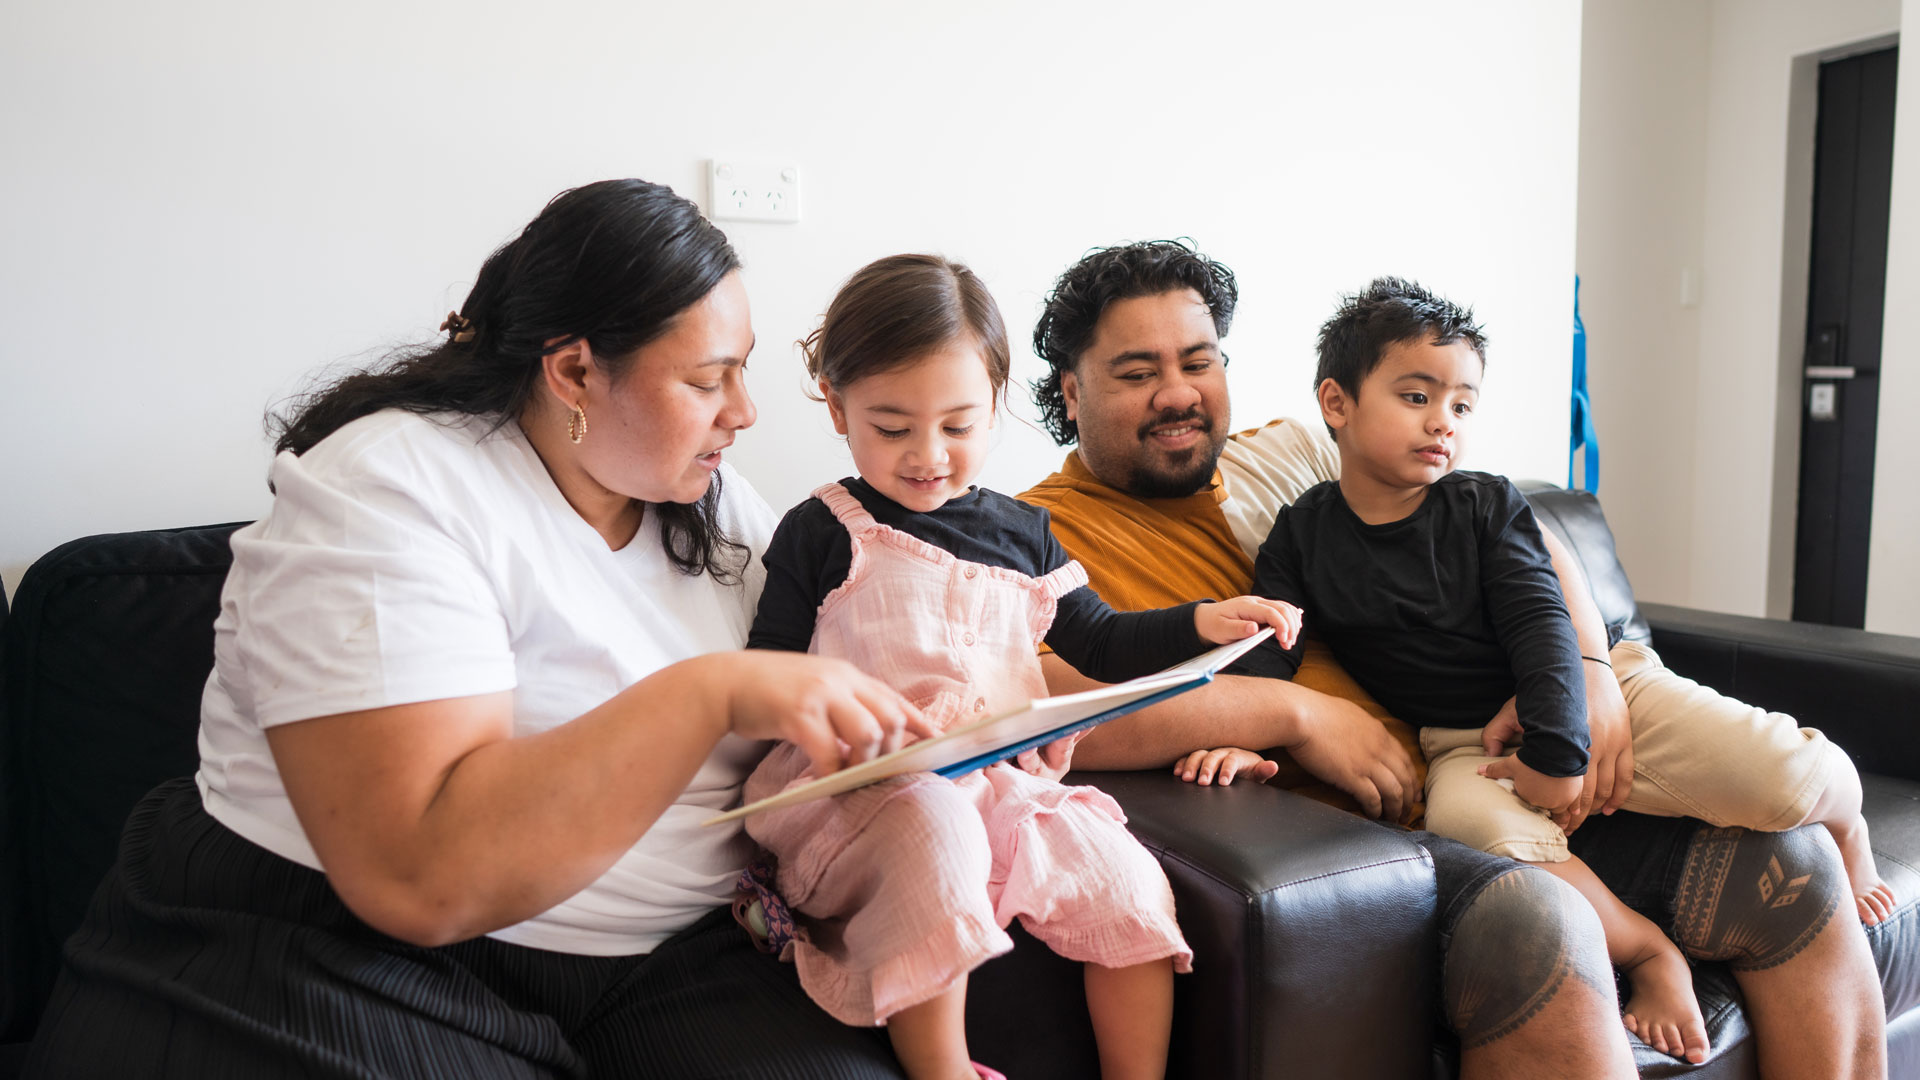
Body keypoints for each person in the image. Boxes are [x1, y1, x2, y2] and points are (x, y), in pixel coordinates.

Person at [24, 180, 934, 1079]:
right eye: (707, 379)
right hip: (351, 947)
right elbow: (419, 875)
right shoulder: (389, 487)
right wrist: (713, 694)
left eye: (742, 370)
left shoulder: (716, 502)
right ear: (574, 369)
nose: (743, 410)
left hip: (669, 957)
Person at [1018, 239, 1888, 1078]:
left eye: (1199, 362)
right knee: (1540, 925)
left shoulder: (1293, 452)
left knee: (1793, 866)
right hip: (1368, 851)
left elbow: (1516, 531)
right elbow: (1044, 708)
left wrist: (1589, 672)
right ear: (1071, 388)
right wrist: (1294, 714)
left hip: (1504, 755)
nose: (1179, 393)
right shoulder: (1037, 536)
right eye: (1137, 373)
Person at [740, 253, 1300, 1080]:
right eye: (892, 428)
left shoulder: (1024, 533)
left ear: (998, 401)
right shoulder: (824, 528)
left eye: (960, 426)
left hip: (1002, 781)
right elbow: (766, 677)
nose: (929, 454)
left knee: (1127, 876)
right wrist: (832, 713)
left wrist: (1202, 623)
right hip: (864, 791)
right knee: (938, 832)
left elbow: (1102, 643)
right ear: (837, 404)